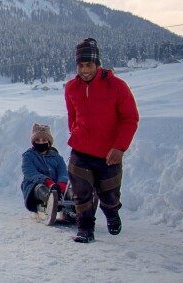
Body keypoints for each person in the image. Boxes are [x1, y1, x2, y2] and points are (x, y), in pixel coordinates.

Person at [65, 38, 139, 243]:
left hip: (109, 154)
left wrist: (119, 147)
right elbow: (72, 116)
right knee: (81, 194)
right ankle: (85, 228)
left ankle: (112, 212)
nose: (84, 70)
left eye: (89, 65)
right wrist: (76, 133)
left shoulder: (117, 86)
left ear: (98, 65)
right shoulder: (71, 88)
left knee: (109, 195)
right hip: (80, 150)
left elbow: (130, 118)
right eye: (81, 65)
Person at [21, 124, 68, 218]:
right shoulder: (28, 156)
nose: (41, 143)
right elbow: (30, 173)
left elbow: (63, 172)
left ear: (49, 142)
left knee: (70, 189)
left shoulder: (56, 157)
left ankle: (78, 204)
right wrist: (48, 182)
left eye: (44, 140)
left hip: (56, 186)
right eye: (37, 140)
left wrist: (62, 183)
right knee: (41, 188)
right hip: (34, 187)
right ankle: (51, 201)